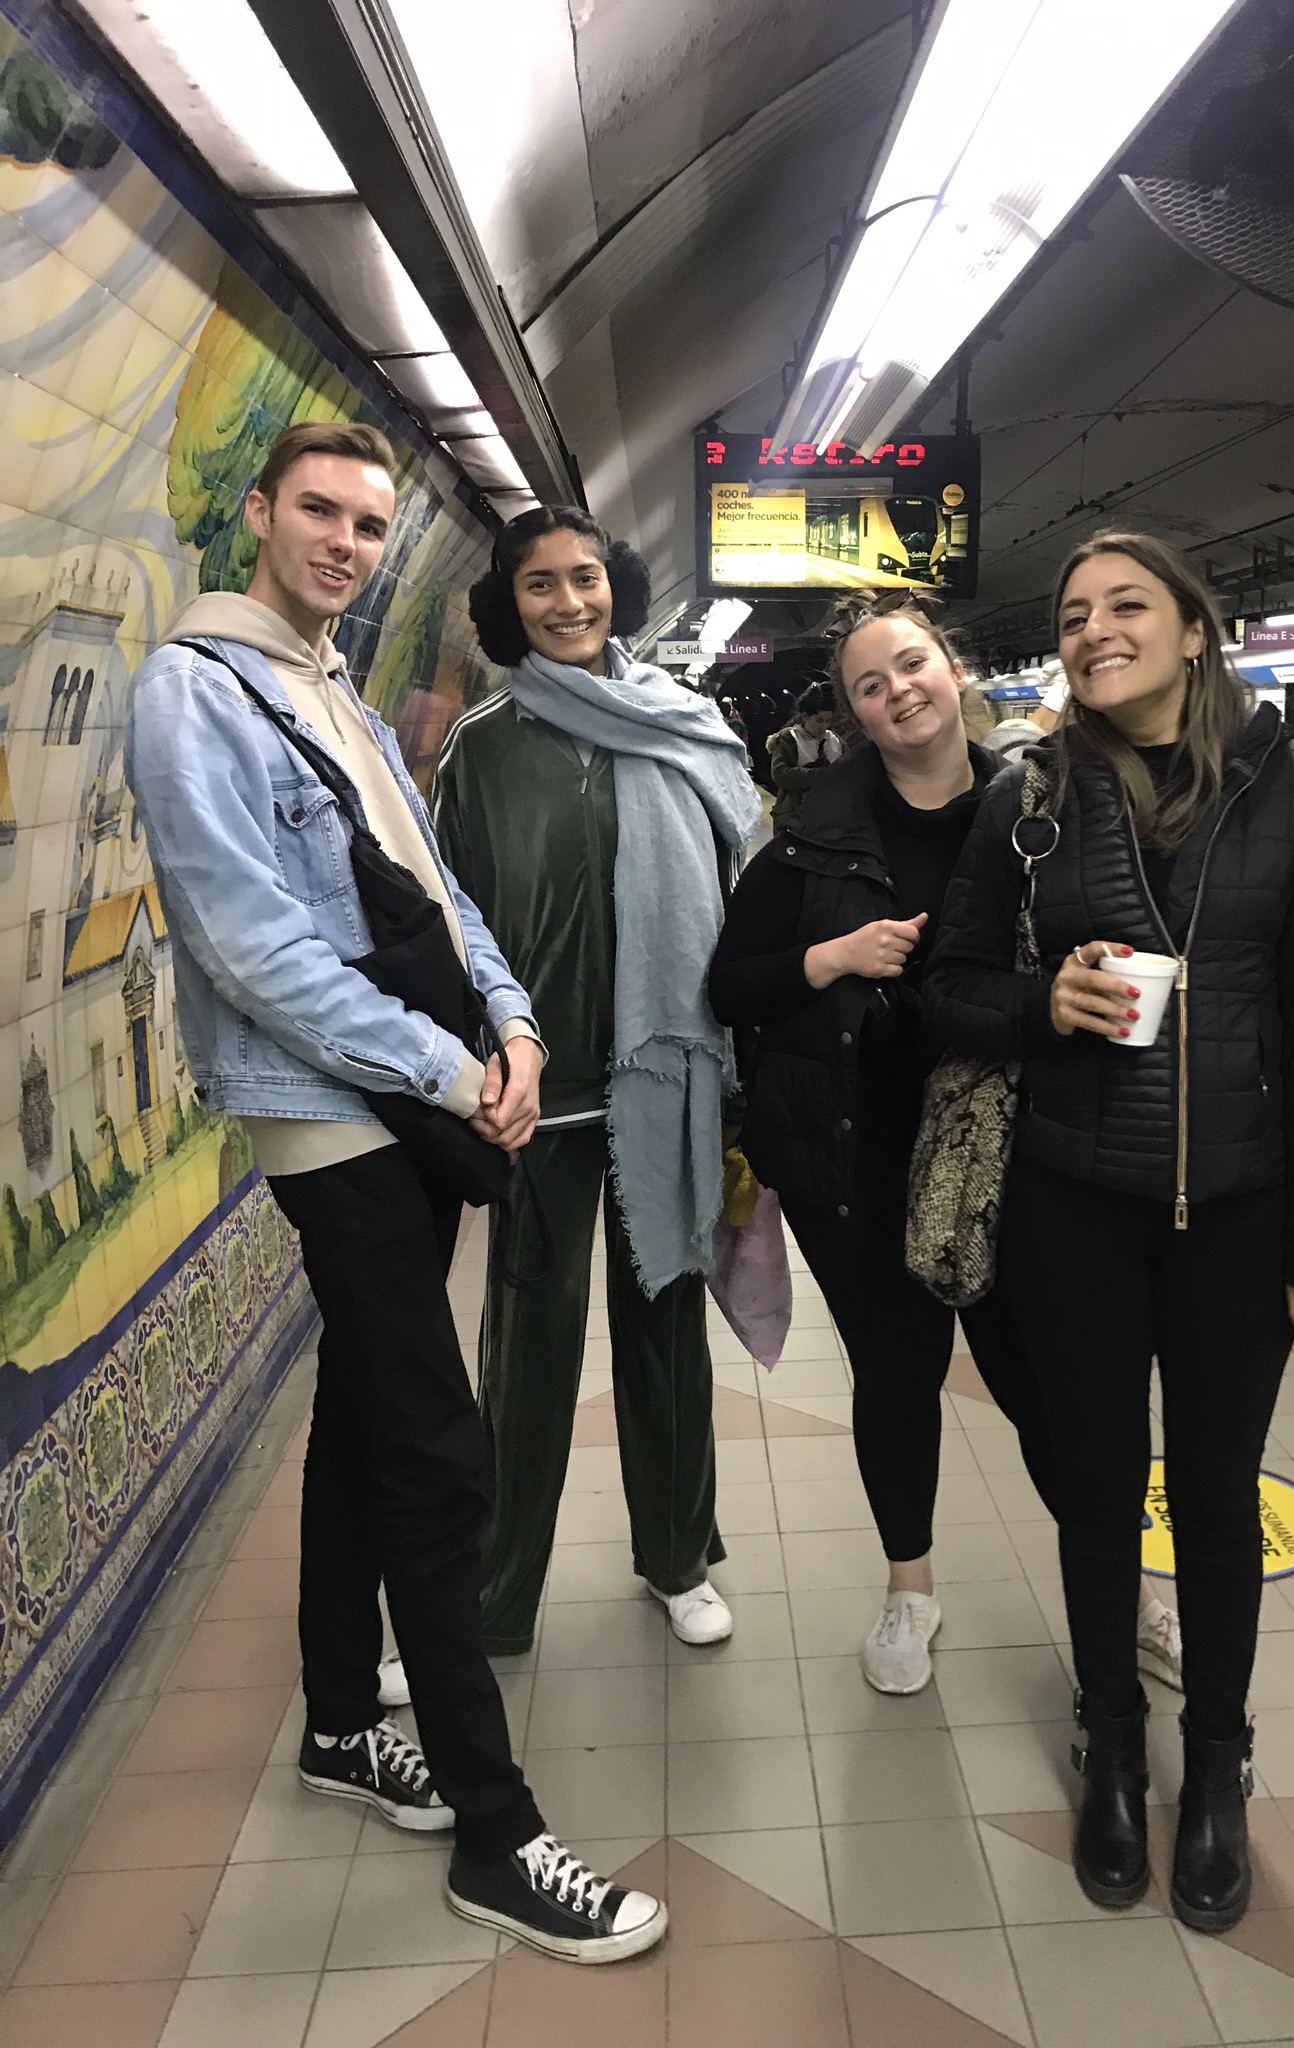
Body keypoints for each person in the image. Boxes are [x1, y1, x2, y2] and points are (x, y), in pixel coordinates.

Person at [123, 422, 664, 1961]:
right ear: (258, 514)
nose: (347, 545)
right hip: (325, 1111)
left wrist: (513, 1026)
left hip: (412, 1091)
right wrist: (445, 1067)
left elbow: (437, 894)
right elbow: (248, 943)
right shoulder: (192, 693)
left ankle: (340, 1722)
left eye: (369, 524)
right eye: (320, 511)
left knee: (369, 1407)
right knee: (435, 1447)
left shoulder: (340, 691)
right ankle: (499, 1837)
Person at [925, 531, 1294, 1932]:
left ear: (1194, 628)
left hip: (1237, 1213)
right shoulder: (1032, 795)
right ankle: (1111, 1743)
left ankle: (1217, 1764)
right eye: (1074, 614)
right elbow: (946, 984)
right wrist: (1039, 1003)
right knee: (1099, 1487)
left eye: (1128, 605)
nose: (1094, 630)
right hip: (1074, 1202)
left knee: (1219, 1497)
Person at [708, 590, 1180, 1697]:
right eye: (870, 685)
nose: (899, 692)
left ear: (952, 669)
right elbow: (731, 986)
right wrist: (831, 958)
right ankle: (908, 1590)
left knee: (1045, 1384)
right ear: (854, 714)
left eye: (912, 664)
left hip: (1020, 1150)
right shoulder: (811, 842)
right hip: (859, 1153)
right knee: (897, 1376)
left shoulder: (1046, 815)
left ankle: (1127, 1595)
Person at [436, 506, 759, 1659]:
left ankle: (678, 1557)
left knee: (667, 1329)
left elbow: (744, 893)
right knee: (527, 1344)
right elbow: (455, 924)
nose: (568, 601)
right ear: (507, 602)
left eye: (586, 577)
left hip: (668, 1083)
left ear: (615, 584)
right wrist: (476, 1064)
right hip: (539, 1098)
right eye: (540, 584)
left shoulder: (683, 724)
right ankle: (495, 1591)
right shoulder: (481, 747)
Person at [768, 681, 844, 834]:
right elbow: (780, 774)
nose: (824, 727)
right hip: (794, 817)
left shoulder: (835, 741)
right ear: (805, 716)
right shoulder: (789, 739)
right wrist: (824, 775)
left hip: (829, 818)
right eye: (819, 720)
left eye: (828, 721)